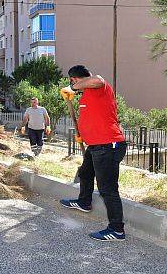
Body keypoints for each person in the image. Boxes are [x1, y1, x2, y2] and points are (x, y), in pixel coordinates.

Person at [59, 65, 127, 242]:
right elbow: (93, 116)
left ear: (75, 80)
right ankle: (84, 202)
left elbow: (98, 79)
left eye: (72, 81)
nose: (72, 85)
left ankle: (117, 230)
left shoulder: (98, 87)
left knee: (107, 189)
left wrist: (72, 88)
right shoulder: (87, 95)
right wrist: (83, 132)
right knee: (85, 173)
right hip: (96, 145)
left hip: (108, 145)